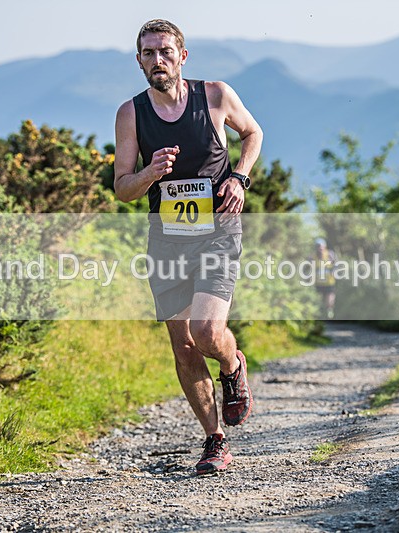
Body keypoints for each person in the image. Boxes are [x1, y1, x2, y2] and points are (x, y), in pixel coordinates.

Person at [114, 19, 263, 475]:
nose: (156, 60)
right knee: (183, 347)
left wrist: (239, 177)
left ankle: (232, 363)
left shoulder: (214, 95)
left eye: (164, 51)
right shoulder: (131, 114)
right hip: (167, 240)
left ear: (182, 55)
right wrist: (149, 172)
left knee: (205, 331)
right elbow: (123, 188)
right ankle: (214, 439)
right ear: (138, 60)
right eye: (147, 53)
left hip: (218, 232)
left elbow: (253, 134)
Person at [312, 238, 337, 319]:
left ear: (324, 246)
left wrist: (334, 271)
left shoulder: (330, 254)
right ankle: (318, 314)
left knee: (329, 299)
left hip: (329, 282)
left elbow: (336, 264)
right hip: (318, 283)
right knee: (318, 300)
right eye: (317, 246)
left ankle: (329, 311)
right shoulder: (313, 257)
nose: (320, 248)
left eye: (321, 246)